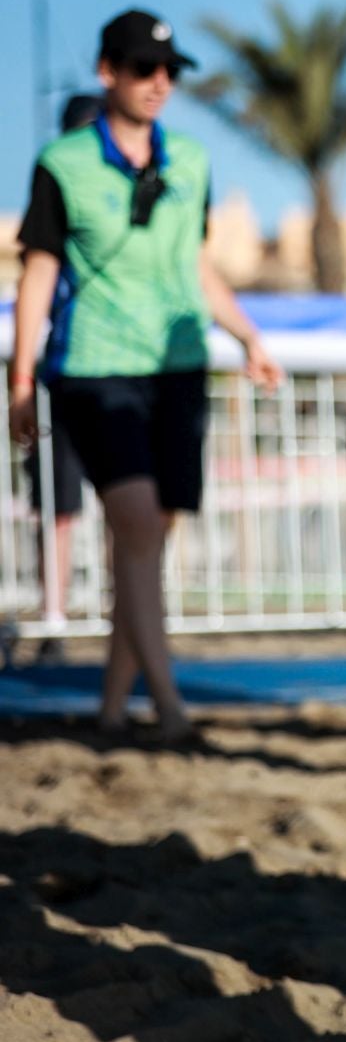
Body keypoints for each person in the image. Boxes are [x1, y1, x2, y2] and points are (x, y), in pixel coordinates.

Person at [9, 9, 284, 740]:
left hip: (178, 366)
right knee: (133, 525)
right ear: (108, 73)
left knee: (146, 541)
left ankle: (110, 704)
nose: (158, 82)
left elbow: (198, 266)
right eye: (142, 69)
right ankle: (169, 709)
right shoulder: (62, 162)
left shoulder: (189, 159)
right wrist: (20, 378)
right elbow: (38, 271)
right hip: (96, 369)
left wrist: (248, 336)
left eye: (168, 71)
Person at [21, 93, 105, 664]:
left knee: (139, 507)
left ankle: (133, 620)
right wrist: (22, 382)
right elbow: (38, 279)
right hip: (64, 372)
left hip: (124, 374)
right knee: (58, 504)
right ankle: (54, 614)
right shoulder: (58, 193)